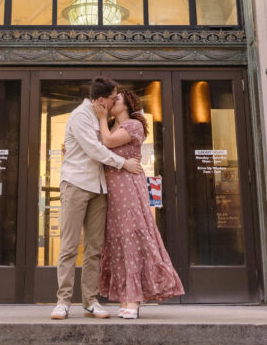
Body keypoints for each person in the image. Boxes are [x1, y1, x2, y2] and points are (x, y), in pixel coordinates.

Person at [50, 77, 144, 320]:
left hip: (100, 189)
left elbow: (120, 137)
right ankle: (63, 301)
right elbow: (95, 149)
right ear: (102, 99)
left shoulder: (107, 121)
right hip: (76, 184)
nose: (115, 102)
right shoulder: (80, 116)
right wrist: (124, 163)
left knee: (94, 249)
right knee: (70, 246)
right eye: (113, 97)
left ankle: (90, 301)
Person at [95, 90, 184, 318]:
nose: (112, 102)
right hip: (111, 189)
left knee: (132, 237)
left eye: (116, 100)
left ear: (126, 105)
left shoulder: (133, 125)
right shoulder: (111, 125)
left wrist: (102, 117)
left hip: (128, 186)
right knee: (117, 241)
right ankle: (125, 296)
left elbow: (107, 142)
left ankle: (134, 299)